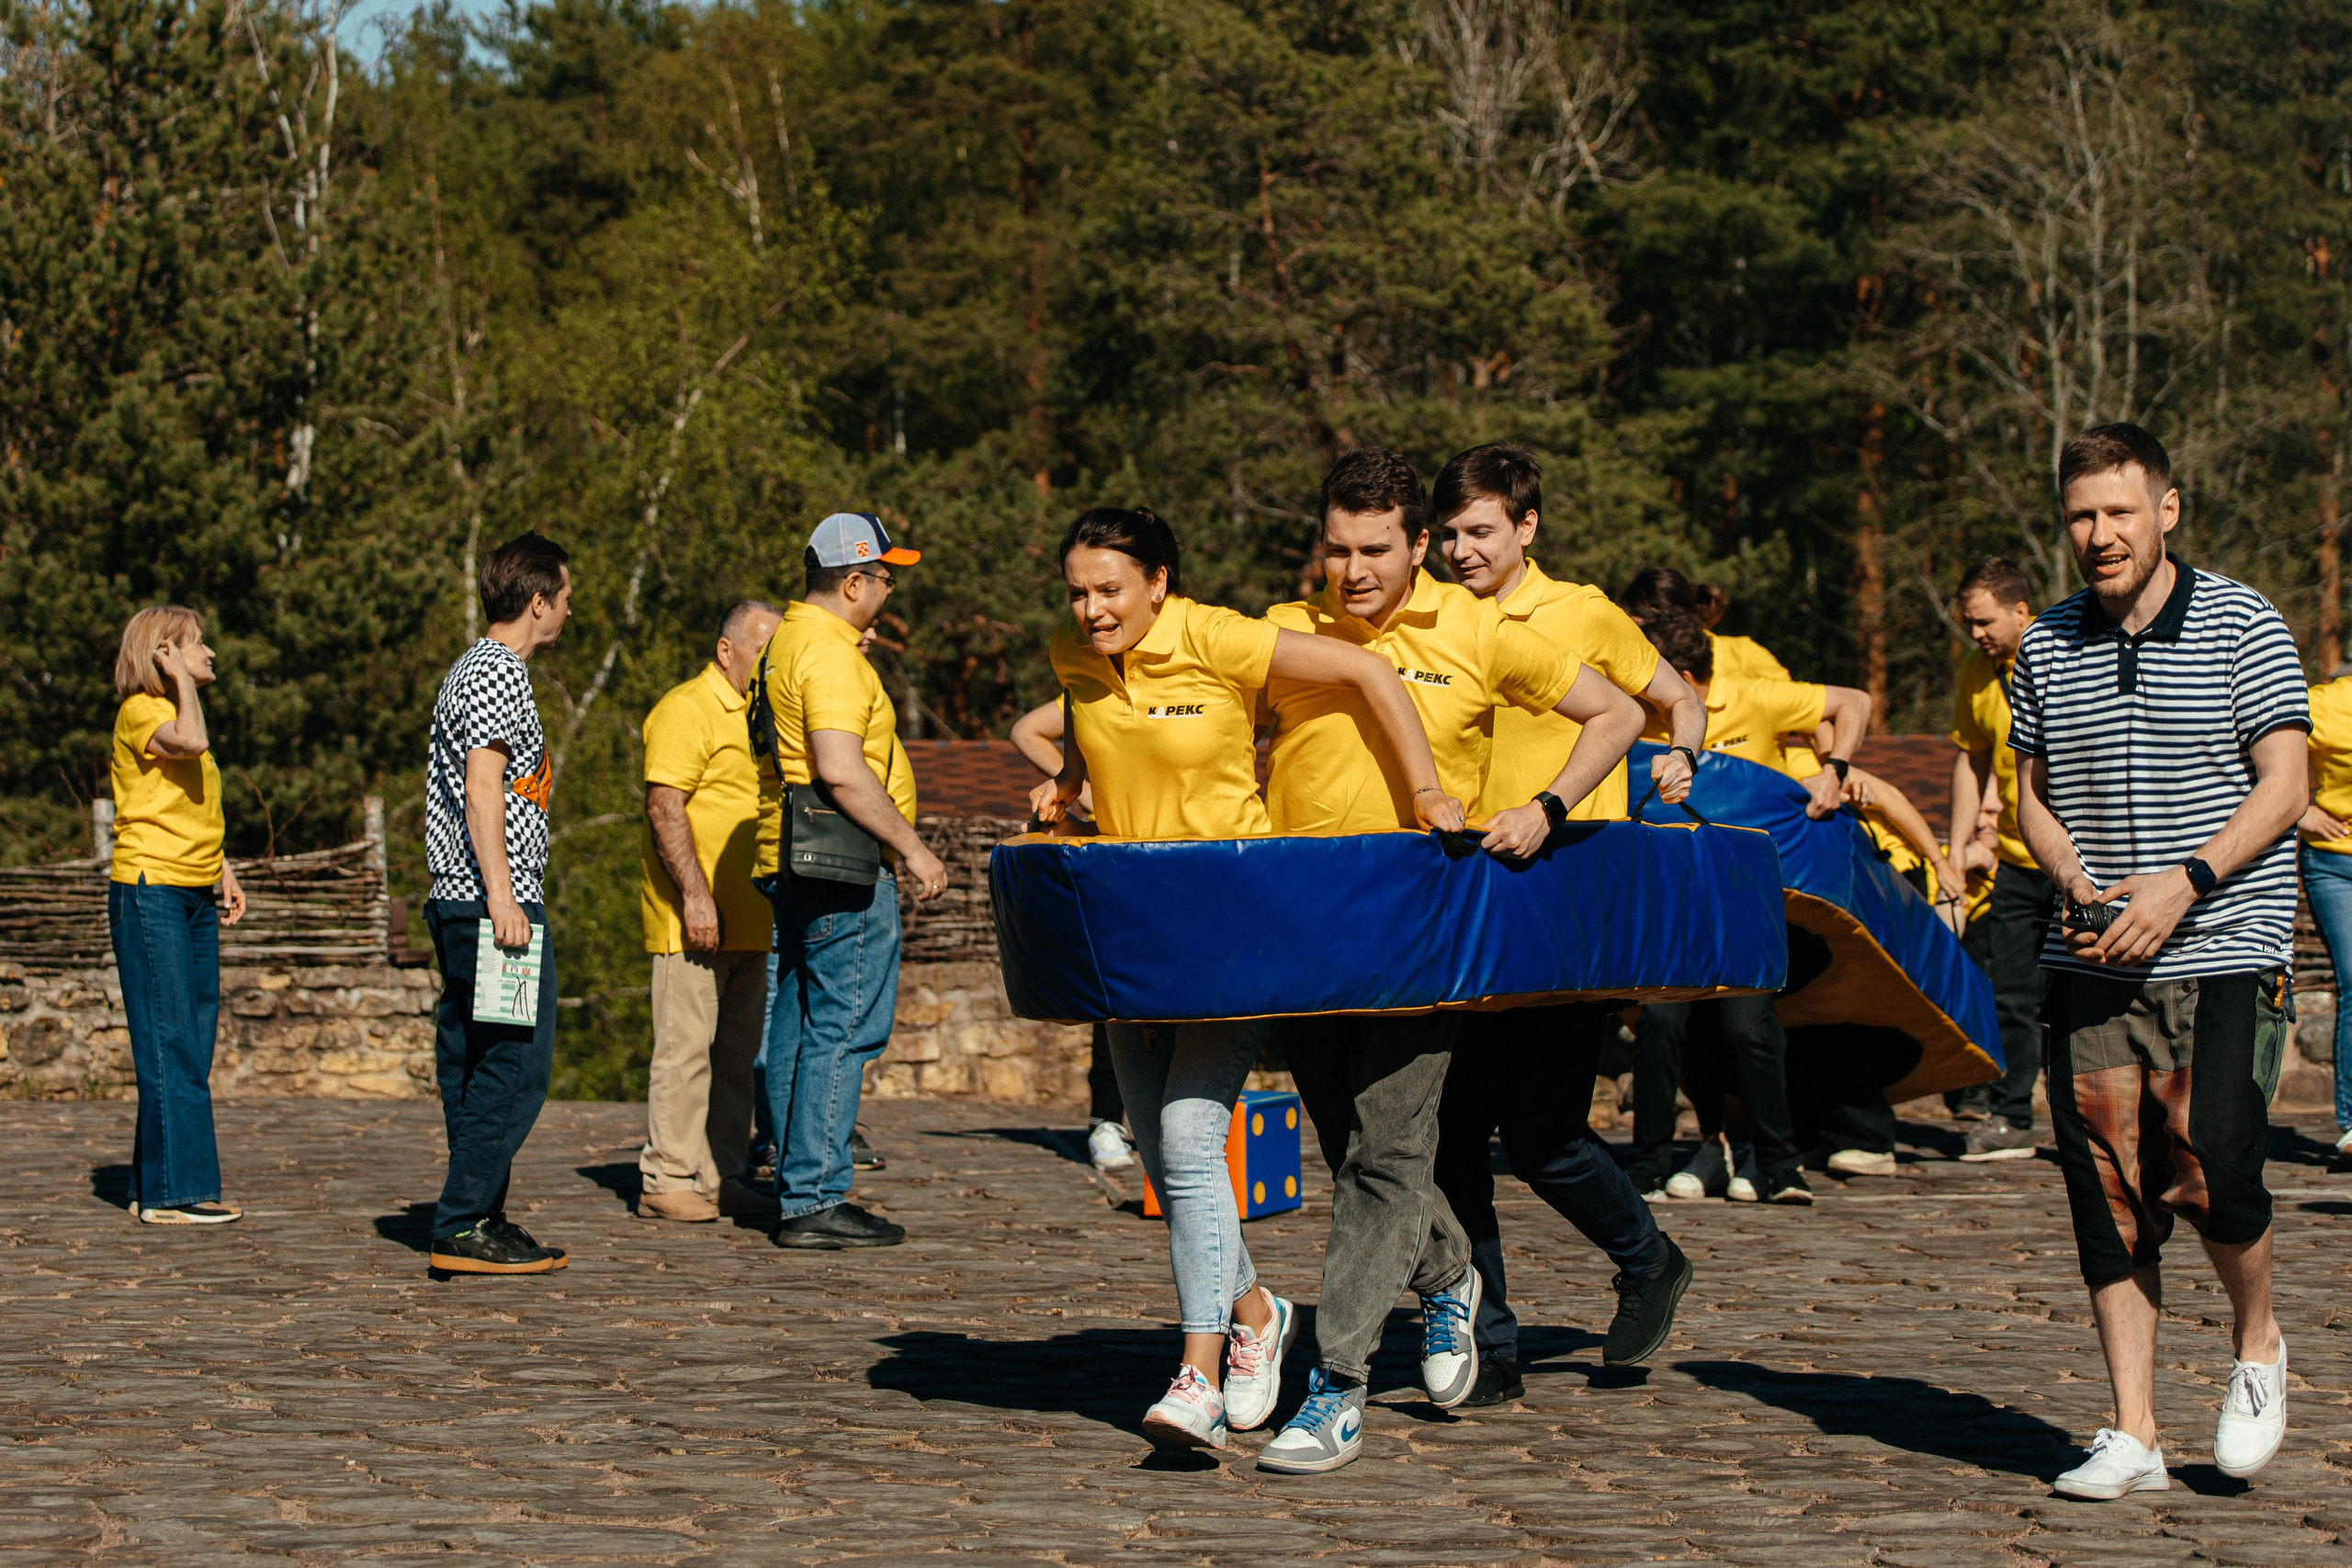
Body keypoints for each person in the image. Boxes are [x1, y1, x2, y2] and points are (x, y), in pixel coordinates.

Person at [1250, 448, 1653, 1472]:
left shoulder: (1481, 630)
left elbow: (1620, 714)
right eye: (1336, 550)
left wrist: (1545, 808)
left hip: (1420, 938)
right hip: (1303, 940)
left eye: (1375, 549)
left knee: (1384, 1161)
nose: (1353, 571)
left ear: (1417, 544)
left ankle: (1334, 1384)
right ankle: (1450, 1279)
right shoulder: (1287, 633)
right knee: (1353, 1152)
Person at [1031, 503, 1458, 1455]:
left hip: (1226, 923)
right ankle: (1258, 1312)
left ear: (1158, 586)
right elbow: (1088, 718)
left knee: (1189, 1136)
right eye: (1078, 592)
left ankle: (1199, 1372)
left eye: (1110, 591)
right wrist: (1068, 776)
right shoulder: (1073, 648)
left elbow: (1366, 671)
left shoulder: (1217, 637)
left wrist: (1424, 788)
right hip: (1130, 930)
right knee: (1160, 1154)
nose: (1092, 610)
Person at [2011, 423, 2307, 1498]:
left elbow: (2283, 783)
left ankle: (2259, 1346)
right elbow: (2028, 797)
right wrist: (2070, 876)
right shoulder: (2044, 644)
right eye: (2081, 515)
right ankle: (2133, 1430)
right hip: (2089, 956)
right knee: (2107, 1193)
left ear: (2165, 510)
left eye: (2120, 512)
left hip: (2222, 940)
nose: (2100, 535)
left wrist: (2185, 882)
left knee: (2212, 1162)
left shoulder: (2241, 621)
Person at [1427, 444, 1710, 1409]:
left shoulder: (1584, 611)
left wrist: (1682, 756)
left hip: (1562, 893)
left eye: (1480, 531)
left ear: (1525, 527)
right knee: (1455, 1132)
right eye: (1450, 533)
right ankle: (1487, 1347)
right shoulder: (1431, 622)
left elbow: (1679, 698)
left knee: (1543, 1135)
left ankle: (1648, 1259)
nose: (1461, 550)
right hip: (1463, 893)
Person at [1625, 609, 1871, 1208]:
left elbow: (1855, 702)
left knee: (1747, 1022)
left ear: (1684, 676)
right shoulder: (1644, 722)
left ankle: (1779, 1162)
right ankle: (1647, 1167)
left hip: (1743, 896)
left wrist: (1832, 771)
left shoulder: (1755, 697)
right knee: (1660, 1020)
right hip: (1675, 895)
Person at [752, 513, 949, 1251]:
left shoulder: (784, 643)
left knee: (798, 1022)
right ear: (854, 581)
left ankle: (793, 1178)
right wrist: (913, 850)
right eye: (886, 575)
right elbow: (838, 767)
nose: (891, 589)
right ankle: (815, 1194)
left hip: (788, 856)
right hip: (842, 862)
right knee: (843, 1028)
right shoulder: (830, 655)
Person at [421, 534, 574, 1275]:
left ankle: (481, 1212)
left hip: (475, 901)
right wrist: (504, 896)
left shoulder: (487, 671)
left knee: (477, 1061)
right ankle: (460, 1222)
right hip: (490, 906)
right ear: (537, 600)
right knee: (514, 1064)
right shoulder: (494, 672)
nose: (569, 611)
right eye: (565, 597)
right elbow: (484, 786)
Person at [636, 600, 785, 1224]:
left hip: (753, 919)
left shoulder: (762, 715)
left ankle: (719, 1170)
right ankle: (665, 1175)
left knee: (735, 1055)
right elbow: (665, 806)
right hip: (694, 921)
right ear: (726, 650)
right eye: (761, 652)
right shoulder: (686, 708)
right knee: (685, 1049)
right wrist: (696, 896)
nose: (770, 666)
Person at [107, 606, 249, 1225]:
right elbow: (192, 743)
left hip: (191, 890)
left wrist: (223, 867)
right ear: (164, 652)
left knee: (189, 1039)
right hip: (151, 890)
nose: (210, 653)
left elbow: (187, 804)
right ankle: (176, 1193)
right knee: (172, 1041)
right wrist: (180, 683)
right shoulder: (145, 710)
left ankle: (152, 1180)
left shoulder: (172, 711)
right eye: (196, 645)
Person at [1943, 557, 2054, 1162]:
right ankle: (2011, 1116)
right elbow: (1972, 759)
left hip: (2081, 859)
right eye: (1969, 624)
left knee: (2081, 995)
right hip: (2016, 856)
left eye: (1984, 622)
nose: (1976, 633)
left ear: (2019, 611)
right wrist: (1958, 847)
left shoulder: (2065, 655)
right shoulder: (1975, 672)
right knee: (2010, 989)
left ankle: (2095, 1117)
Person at [1009, 697, 1136, 1173]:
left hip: (1190, 849)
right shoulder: (1093, 685)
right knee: (1117, 992)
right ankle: (1107, 1120)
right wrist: (1080, 789)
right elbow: (1027, 730)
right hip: (1118, 856)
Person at [2300, 661, 2352, 1165]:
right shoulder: (2325, 703)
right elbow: (2245, 743)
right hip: (2336, 863)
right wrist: (2302, 808)